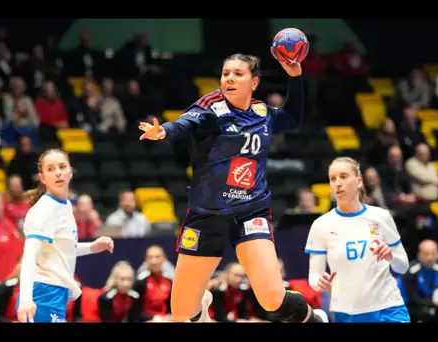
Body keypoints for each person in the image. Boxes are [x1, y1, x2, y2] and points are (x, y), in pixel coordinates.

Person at [139, 53, 326, 323]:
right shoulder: (211, 107)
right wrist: (164, 131)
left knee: (272, 298)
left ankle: (315, 319)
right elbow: (185, 123)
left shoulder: (261, 112)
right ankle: (202, 304)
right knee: (181, 312)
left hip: (250, 211)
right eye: (226, 73)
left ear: (254, 82)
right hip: (207, 215)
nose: (229, 78)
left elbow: (291, 119)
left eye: (238, 73)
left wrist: (295, 77)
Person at [305, 157, 411, 323]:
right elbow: (314, 276)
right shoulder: (321, 225)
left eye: (343, 176)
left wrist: (391, 256)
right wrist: (320, 283)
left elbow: (403, 266)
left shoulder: (381, 216)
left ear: (359, 181)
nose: (337, 183)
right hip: (347, 313)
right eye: (333, 179)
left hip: (388, 308)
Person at [16, 148, 115, 323]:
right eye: (50, 169)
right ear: (42, 177)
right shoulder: (43, 209)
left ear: (70, 171)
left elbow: (60, 250)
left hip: (57, 293)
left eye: (62, 167)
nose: (58, 173)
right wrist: (25, 299)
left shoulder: (66, 205)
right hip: (42, 292)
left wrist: (92, 247)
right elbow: (30, 256)